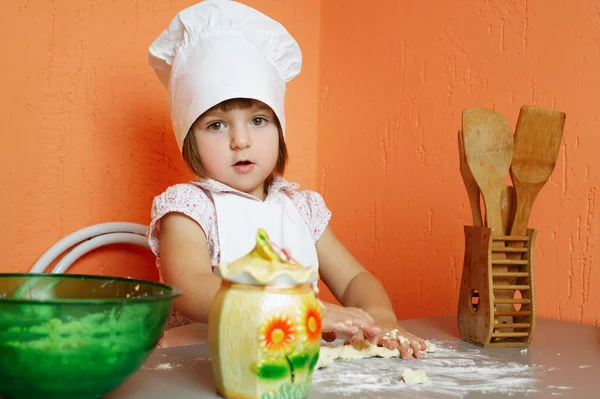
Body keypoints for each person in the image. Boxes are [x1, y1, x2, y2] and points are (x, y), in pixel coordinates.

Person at [147, 0, 426, 359]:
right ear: (190, 141)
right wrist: (294, 310)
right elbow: (188, 286)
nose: (241, 140)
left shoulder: (300, 207)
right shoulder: (189, 209)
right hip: (205, 363)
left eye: (259, 120)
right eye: (216, 125)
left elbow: (355, 280)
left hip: (291, 365)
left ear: (280, 130)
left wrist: (380, 318)